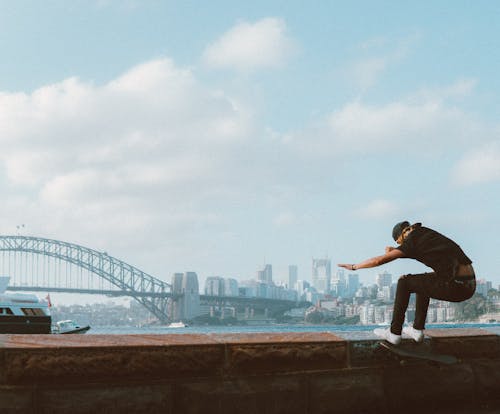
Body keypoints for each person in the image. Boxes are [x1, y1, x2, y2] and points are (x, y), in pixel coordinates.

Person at [338, 221, 476, 345]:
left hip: (456, 286)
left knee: (404, 282)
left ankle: (394, 333)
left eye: (400, 243)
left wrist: (354, 266)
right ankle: (417, 330)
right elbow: (418, 250)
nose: (402, 246)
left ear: (403, 235)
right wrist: (396, 250)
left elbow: (378, 261)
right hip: (468, 285)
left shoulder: (411, 241)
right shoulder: (425, 233)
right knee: (422, 282)